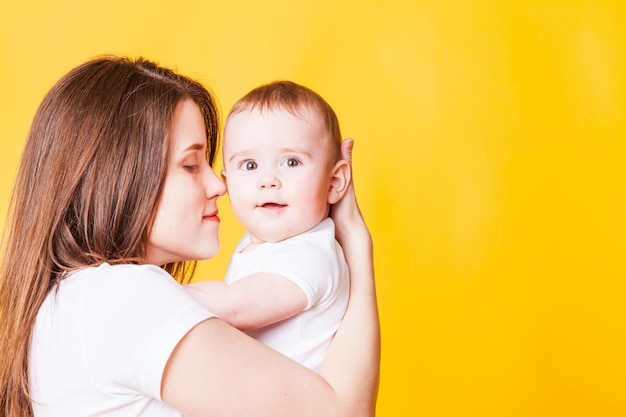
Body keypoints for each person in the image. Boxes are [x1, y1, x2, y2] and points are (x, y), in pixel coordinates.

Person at [0, 55, 380, 417]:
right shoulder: (121, 295)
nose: (219, 185)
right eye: (190, 164)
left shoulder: (77, 297)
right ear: (120, 177)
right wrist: (356, 243)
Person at [185, 81, 350, 371]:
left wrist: (149, 287)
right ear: (227, 182)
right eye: (249, 165)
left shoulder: (312, 254)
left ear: (334, 182)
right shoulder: (259, 242)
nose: (268, 180)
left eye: (291, 162)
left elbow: (234, 307)